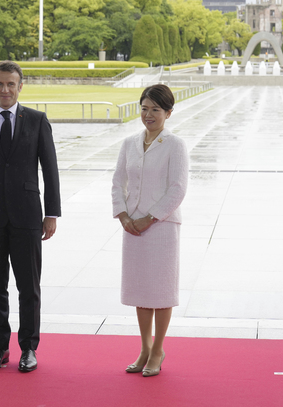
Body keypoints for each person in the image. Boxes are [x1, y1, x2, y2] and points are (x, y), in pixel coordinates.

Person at [0, 60, 61, 372]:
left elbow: (50, 170)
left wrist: (52, 213)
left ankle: (28, 348)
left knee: (28, 287)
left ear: (20, 86)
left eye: (11, 84)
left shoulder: (37, 120)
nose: (5, 89)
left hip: (28, 216)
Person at [111, 84, 189, 377]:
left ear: (168, 112)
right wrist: (123, 215)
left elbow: (178, 188)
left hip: (162, 228)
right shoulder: (129, 143)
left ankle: (158, 350)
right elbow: (118, 181)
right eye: (144, 108)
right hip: (132, 227)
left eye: (155, 109)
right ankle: (144, 347)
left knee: (161, 291)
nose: (148, 114)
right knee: (141, 290)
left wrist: (149, 218)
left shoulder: (175, 145)